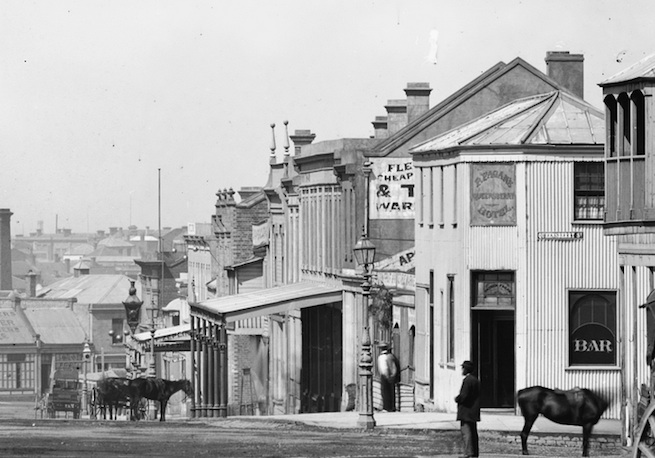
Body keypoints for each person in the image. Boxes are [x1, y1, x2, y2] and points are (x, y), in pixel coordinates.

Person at [455, 360, 480, 458]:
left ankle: (468, 453)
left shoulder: (467, 380)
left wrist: (457, 399)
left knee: (466, 432)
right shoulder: (475, 380)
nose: (462, 370)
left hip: (466, 410)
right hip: (473, 411)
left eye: (463, 368)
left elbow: (464, 396)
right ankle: (474, 452)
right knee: (473, 432)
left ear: (466, 369)